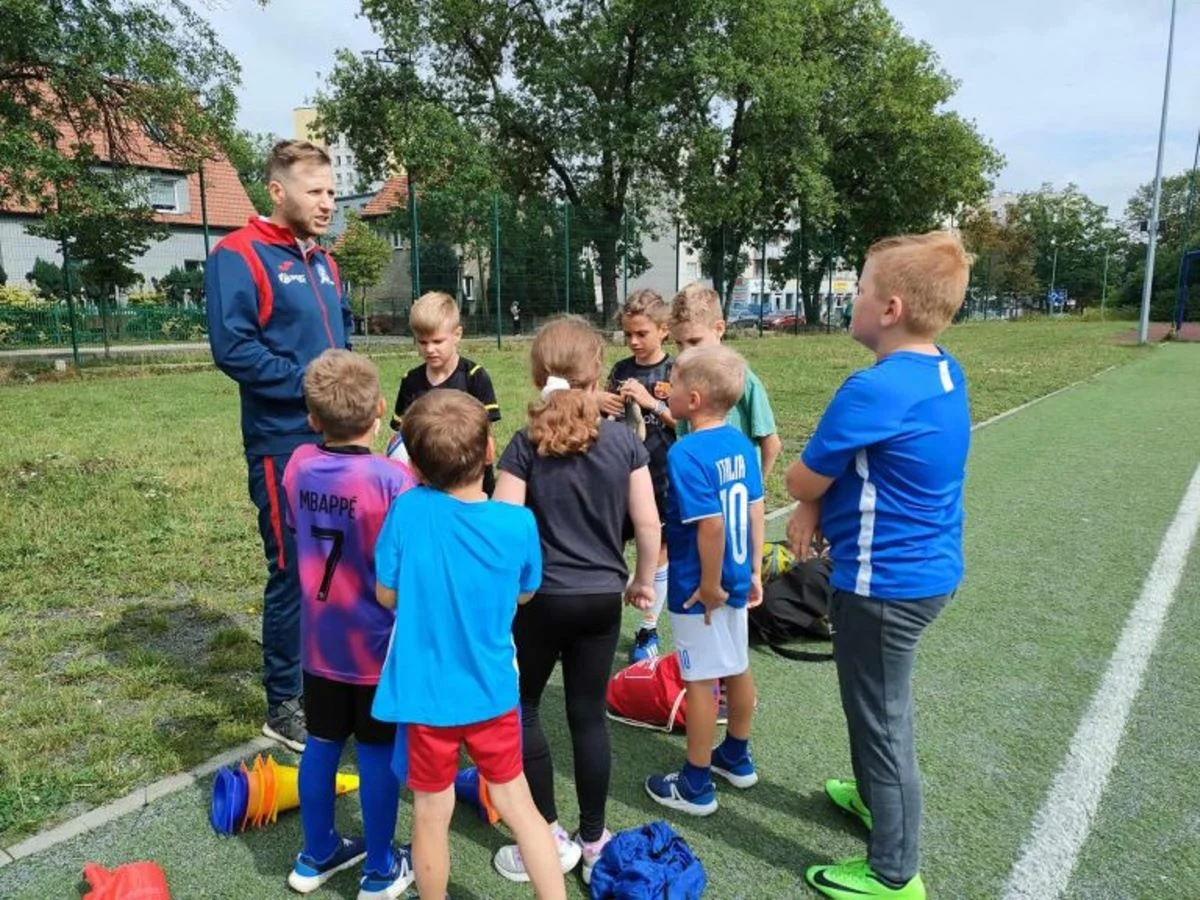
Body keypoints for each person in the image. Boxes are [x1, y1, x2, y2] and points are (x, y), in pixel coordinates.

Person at [785, 231, 973, 900]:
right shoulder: (942, 368)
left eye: (860, 289)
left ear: (890, 309)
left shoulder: (873, 389)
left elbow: (801, 477)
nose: (853, 298)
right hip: (921, 571)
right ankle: (873, 800)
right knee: (868, 704)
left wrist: (807, 499)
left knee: (884, 721)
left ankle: (894, 872)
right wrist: (814, 504)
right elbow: (858, 471)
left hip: (884, 584)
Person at [371, 391, 567, 900]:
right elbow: (525, 592)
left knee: (430, 813)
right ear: (489, 451)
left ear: (413, 466)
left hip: (427, 697)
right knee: (521, 807)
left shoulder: (407, 510)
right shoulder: (517, 523)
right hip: (492, 691)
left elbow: (385, 594)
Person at [493, 316, 660, 884]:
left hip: (539, 601)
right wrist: (643, 580)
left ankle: (545, 835)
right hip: (601, 600)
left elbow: (504, 525)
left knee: (523, 706)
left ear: (538, 375)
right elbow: (648, 523)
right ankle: (593, 839)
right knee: (588, 715)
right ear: (598, 374)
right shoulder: (624, 442)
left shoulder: (526, 443)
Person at [206, 139, 351, 751]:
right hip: (282, 444)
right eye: (315, 191)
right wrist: (313, 389)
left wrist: (350, 396)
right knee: (294, 570)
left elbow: (340, 339)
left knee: (339, 563)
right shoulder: (237, 255)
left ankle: (331, 680)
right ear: (277, 191)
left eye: (332, 192)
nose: (328, 203)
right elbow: (234, 348)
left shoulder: (325, 262)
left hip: (341, 440)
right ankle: (284, 702)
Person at [281, 350, 416, 899]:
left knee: (321, 742)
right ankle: (380, 868)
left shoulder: (297, 465)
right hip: (376, 647)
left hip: (319, 643)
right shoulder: (393, 479)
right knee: (378, 753)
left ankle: (316, 854)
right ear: (381, 408)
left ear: (313, 418)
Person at [645, 345, 765, 817]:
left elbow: (711, 525)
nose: (666, 390)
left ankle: (696, 784)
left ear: (693, 400)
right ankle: (735, 755)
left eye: (673, 383)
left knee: (699, 680)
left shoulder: (686, 452)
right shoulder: (740, 443)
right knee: (737, 664)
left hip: (701, 586)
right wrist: (753, 570)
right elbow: (755, 508)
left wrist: (710, 585)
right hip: (737, 575)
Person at [599, 289, 676, 663]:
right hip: (620, 476)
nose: (633, 341)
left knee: (658, 550)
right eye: (628, 334)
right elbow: (606, 420)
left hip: (661, 477)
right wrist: (606, 407)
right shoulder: (620, 370)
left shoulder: (676, 371)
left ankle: (648, 628)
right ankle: (599, 620)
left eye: (641, 333)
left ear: (664, 330)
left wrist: (653, 404)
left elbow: (687, 422)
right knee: (608, 544)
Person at [390, 290, 501, 494]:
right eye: (422, 342)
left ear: (457, 335)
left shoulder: (475, 377)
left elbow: (485, 435)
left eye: (437, 341)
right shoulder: (411, 381)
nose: (429, 349)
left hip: (469, 481)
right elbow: (399, 435)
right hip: (425, 484)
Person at [668, 283, 782, 479]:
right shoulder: (684, 380)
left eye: (695, 341)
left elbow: (771, 443)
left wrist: (757, 485)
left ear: (719, 329)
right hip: (703, 483)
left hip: (736, 484)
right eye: (679, 343)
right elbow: (683, 434)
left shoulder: (743, 379)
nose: (686, 352)